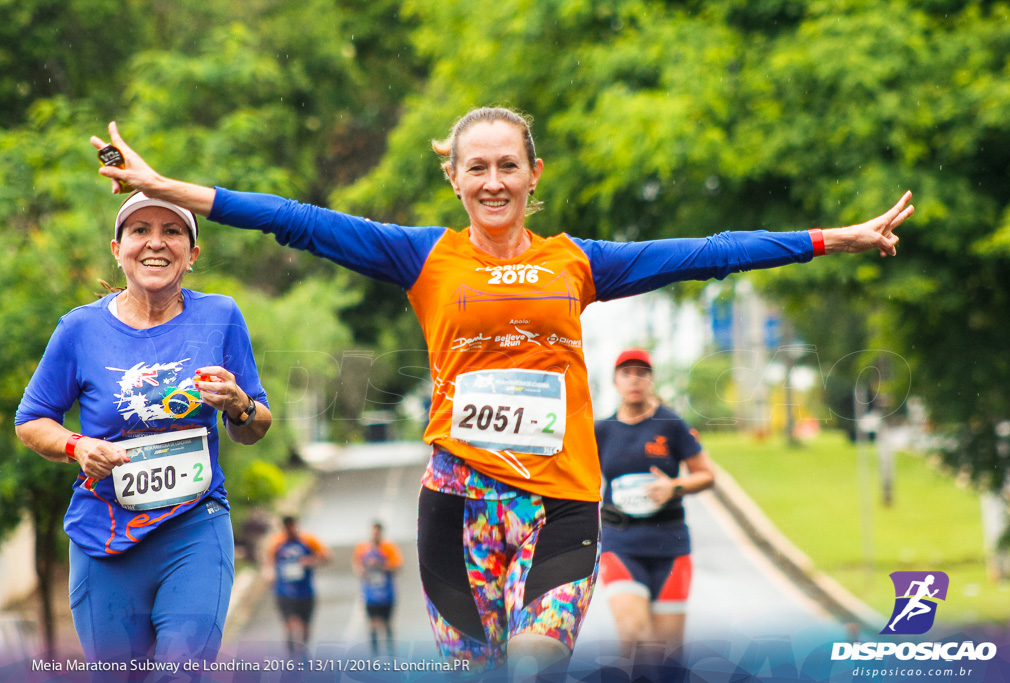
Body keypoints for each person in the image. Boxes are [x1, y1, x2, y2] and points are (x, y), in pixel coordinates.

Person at [90, 110, 912, 679]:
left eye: (506, 166)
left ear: (532, 174)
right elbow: (293, 218)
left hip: (559, 502)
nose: (492, 181)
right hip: (456, 505)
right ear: (454, 177)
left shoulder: (578, 262)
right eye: (475, 167)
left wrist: (827, 239)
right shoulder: (422, 256)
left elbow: (709, 251)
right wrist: (169, 186)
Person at [14, 190, 272, 672]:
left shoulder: (220, 315)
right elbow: (31, 421)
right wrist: (77, 444)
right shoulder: (79, 329)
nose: (156, 243)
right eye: (140, 231)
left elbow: (256, 424)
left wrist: (238, 403)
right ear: (118, 249)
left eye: (172, 231)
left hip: (195, 523)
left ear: (192, 255)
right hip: (104, 534)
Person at [595, 349, 715, 672]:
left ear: (651, 379)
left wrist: (674, 486)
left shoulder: (671, 424)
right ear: (615, 381)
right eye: (626, 373)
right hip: (620, 543)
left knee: (666, 656)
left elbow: (706, 475)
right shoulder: (602, 431)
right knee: (634, 635)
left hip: (670, 545)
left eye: (642, 373)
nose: (634, 379)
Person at [266, 515, 330, 657]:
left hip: (305, 592)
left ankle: (302, 650)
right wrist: (270, 574)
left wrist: (311, 561)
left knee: (305, 628)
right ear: (284, 529)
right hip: (284, 592)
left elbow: (326, 557)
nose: (291, 531)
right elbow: (268, 563)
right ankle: (292, 655)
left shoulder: (309, 540)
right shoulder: (276, 542)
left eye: (293, 527)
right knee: (291, 625)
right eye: (287, 528)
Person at [352, 521, 404, 657]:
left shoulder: (389, 548)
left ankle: (391, 654)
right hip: (370, 594)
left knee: (387, 624)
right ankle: (374, 655)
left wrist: (380, 565)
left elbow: (397, 566)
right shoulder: (362, 549)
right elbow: (357, 569)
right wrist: (364, 569)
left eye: (377, 533)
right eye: (373, 532)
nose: (375, 535)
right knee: (372, 624)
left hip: (387, 594)